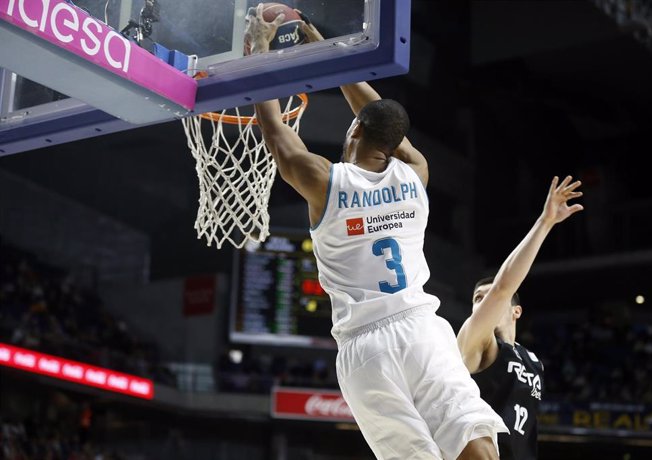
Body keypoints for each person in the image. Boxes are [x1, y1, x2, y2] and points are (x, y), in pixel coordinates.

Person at [245, 4, 508, 459]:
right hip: (423, 328)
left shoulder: (325, 181)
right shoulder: (416, 174)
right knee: (473, 438)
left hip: (367, 349)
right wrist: (333, 59)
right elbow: (385, 122)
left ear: (355, 130)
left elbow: (275, 132)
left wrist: (259, 50)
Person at [456, 175, 584, 459]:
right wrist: (545, 222)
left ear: (517, 312)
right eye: (478, 299)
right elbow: (502, 288)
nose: (484, 304)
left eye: (487, 299)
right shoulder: (475, 342)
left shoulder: (533, 360)